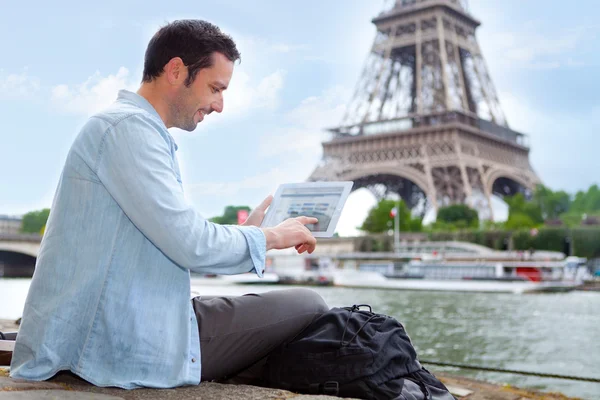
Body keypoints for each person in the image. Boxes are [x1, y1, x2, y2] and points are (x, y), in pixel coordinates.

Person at [10, 19, 329, 389]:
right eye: (215, 88)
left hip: (113, 327)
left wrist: (249, 234)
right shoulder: (128, 129)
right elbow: (190, 243)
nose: (219, 105)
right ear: (176, 71)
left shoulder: (125, 128)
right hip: (118, 341)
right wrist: (272, 236)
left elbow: (174, 240)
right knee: (308, 305)